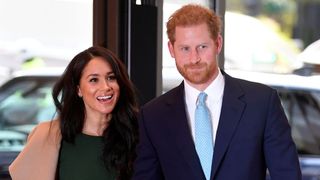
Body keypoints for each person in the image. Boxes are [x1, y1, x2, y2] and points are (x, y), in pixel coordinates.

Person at [133, 4, 301, 180]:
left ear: (218, 44)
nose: (194, 58)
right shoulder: (153, 116)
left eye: (202, 47)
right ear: (171, 49)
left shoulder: (262, 103)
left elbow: (287, 175)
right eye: (185, 49)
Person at [9, 46, 139, 180]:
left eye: (111, 78)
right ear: (78, 90)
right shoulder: (50, 135)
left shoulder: (137, 133)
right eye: (94, 80)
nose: (105, 87)